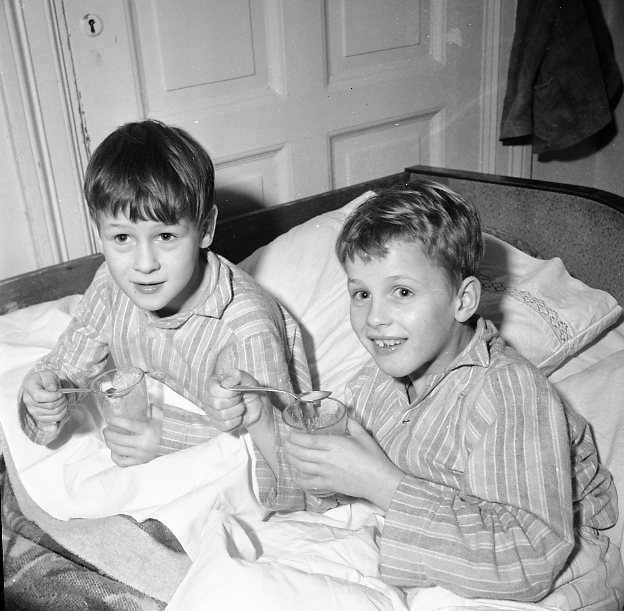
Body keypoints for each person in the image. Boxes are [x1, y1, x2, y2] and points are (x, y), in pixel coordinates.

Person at [207, 182, 623, 605]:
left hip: (545, 571)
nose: (374, 318)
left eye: (402, 292)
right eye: (361, 294)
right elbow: (323, 495)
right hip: (439, 552)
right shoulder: (374, 383)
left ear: (464, 300)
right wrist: (261, 419)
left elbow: (530, 559)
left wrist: (381, 484)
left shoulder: (509, 393)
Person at [19, 119, 310, 467]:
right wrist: (47, 398)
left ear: (205, 229)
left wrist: (166, 438)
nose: (144, 264)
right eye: (122, 237)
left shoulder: (247, 329)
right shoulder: (111, 285)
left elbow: (280, 447)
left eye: (166, 236)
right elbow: (67, 367)